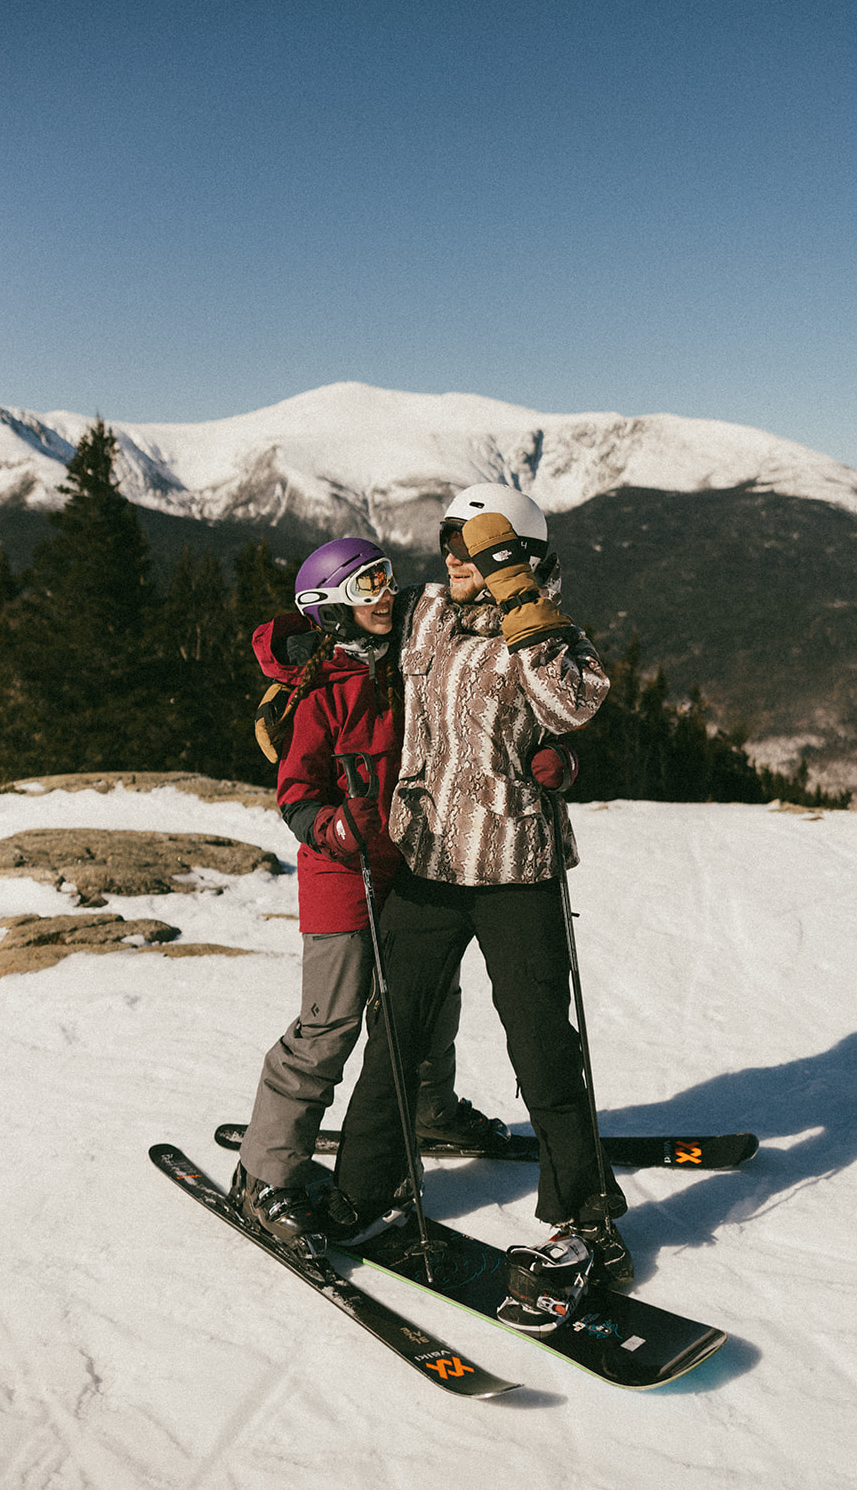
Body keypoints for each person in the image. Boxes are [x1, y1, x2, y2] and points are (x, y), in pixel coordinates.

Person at [328, 484, 633, 1321]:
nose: (455, 557)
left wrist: (516, 595)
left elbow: (573, 704)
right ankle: (360, 1191)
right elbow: (352, 640)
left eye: (478, 545)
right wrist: (296, 642)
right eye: (450, 542)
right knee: (397, 1032)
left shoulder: (553, 638)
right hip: (425, 863)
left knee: (541, 1045)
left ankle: (583, 1220)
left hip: (515, 869)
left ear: (520, 557)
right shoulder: (423, 612)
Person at [231, 535, 502, 1254]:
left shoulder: (413, 665)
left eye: (384, 575)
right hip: (341, 874)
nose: (383, 593)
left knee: (429, 998)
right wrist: (331, 827)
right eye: (363, 584)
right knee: (329, 1025)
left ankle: (431, 1109)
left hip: (413, 863)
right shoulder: (319, 691)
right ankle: (266, 1173)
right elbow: (294, 793)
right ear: (328, 607)